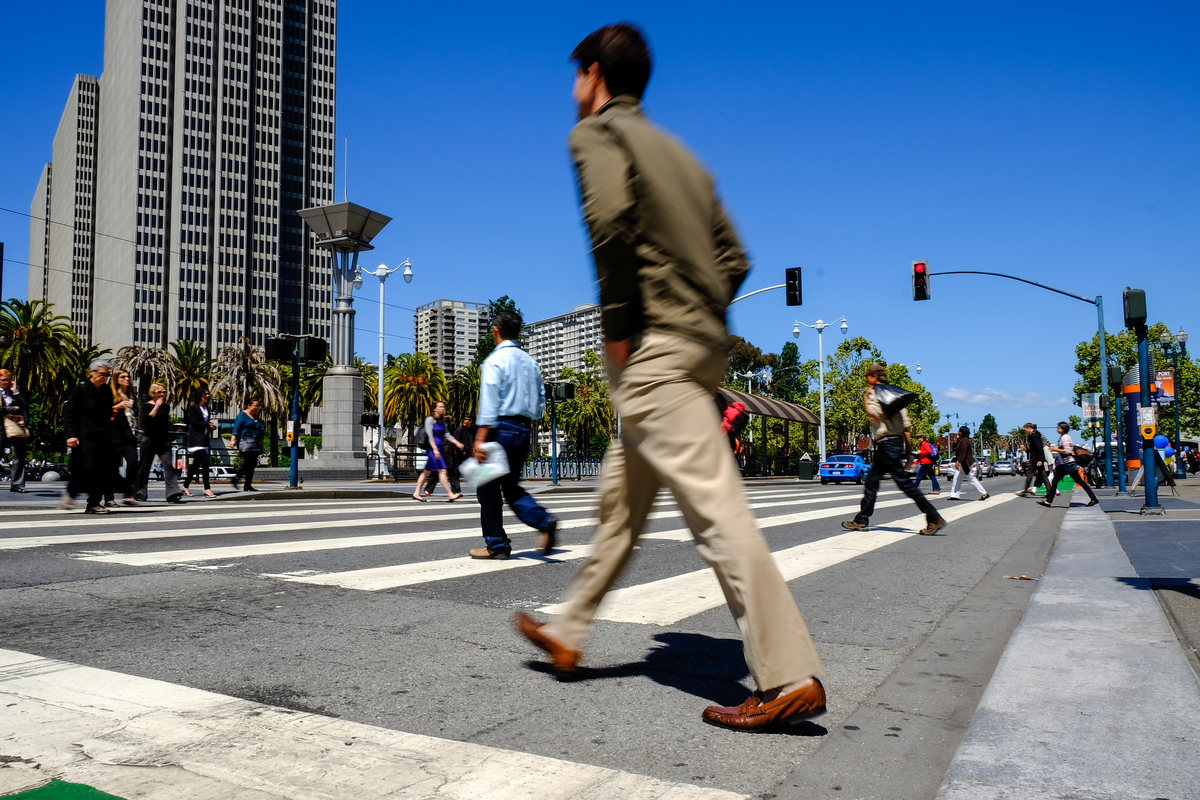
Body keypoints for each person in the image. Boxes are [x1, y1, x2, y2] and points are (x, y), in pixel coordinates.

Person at [514, 25, 826, 733]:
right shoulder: (684, 157)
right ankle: (570, 629)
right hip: (697, 346)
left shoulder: (597, 135)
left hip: (652, 354)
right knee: (621, 507)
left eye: (575, 77)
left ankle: (786, 675)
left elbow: (610, 227)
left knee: (718, 515)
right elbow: (736, 255)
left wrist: (622, 329)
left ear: (594, 75)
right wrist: (701, 308)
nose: (572, 92)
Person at [468, 313, 557, 558]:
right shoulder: (530, 362)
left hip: (500, 430)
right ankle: (543, 520)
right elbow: (540, 403)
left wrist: (479, 438)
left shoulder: (495, 361)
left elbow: (489, 401)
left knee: (486, 487)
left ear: (496, 331)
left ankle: (496, 544)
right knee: (511, 486)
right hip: (523, 430)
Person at [842, 365, 948, 534]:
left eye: (868, 376)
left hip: (886, 444)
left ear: (875, 376)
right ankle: (861, 519)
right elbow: (906, 428)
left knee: (905, 484)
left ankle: (934, 517)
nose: (866, 380)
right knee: (872, 482)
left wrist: (867, 399)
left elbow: (874, 415)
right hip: (894, 444)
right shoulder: (896, 395)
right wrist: (908, 453)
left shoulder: (875, 393)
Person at [63, 360, 116, 513]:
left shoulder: (106, 391)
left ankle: (93, 503)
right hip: (84, 437)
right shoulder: (81, 389)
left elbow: (107, 415)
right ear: (91, 372)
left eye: (107, 374)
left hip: (103, 437)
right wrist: (71, 435)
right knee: (88, 468)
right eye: (102, 374)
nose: (105, 377)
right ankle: (71, 492)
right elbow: (70, 414)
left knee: (102, 471)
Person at [135, 383, 183, 503]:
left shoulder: (165, 407)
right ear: (153, 393)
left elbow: (163, 422)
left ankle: (172, 493)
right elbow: (146, 420)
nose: (162, 394)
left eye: (164, 392)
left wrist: (175, 427)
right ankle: (140, 492)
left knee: (168, 466)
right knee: (144, 467)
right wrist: (156, 406)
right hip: (149, 439)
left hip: (163, 440)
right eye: (159, 392)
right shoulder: (146, 406)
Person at [102, 369, 140, 508]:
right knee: (112, 469)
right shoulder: (111, 393)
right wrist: (117, 406)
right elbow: (104, 412)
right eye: (123, 376)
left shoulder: (130, 395)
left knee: (133, 464)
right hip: (113, 436)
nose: (126, 378)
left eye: (128, 376)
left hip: (128, 436)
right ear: (116, 379)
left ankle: (127, 493)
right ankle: (109, 498)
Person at [413, 401, 464, 501]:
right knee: (442, 471)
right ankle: (450, 494)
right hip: (433, 449)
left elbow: (447, 434)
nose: (442, 408)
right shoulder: (430, 420)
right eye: (440, 407)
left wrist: (457, 443)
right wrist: (435, 449)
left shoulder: (442, 421)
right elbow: (429, 434)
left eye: (443, 407)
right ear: (434, 408)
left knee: (426, 472)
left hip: (438, 449)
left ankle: (416, 493)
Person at [1042, 422, 1099, 508]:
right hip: (1065, 463)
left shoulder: (1065, 438)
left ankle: (1094, 499)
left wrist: (1055, 449)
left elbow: (1067, 451)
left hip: (1068, 464)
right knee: (1055, 482)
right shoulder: (1063, 437)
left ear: (1063, 429)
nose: (1057, 429)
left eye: (1059, 427)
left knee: (1079, 482)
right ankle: (1048, 501)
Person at [0, 369, 31, 493]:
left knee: (19, 455)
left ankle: (17, 484)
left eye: (8, 379)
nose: (6, 382)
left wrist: (16, 391)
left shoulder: (14, 392)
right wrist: (12, 409)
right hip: (1, 427)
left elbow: (23, 405)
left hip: (15, 427)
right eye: (3, 380)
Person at [183, 390, 216, 497]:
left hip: (204, 438)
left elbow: (204, 423)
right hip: (196, 439)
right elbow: (194, 422)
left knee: (196, 464)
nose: (208, 395)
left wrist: (211, 427)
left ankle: (185, 485)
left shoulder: (207, 408)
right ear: (200, 396)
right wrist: (207, 424)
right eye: (205, 394)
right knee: (205, 461)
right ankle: (207, 488)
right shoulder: (193, 408)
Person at [230, 399, 265, 492]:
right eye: (255, 405)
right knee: (245, 464)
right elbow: (236, 428)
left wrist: (262, 442)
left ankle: (248, 485)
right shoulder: (242, 415)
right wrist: (233, 440)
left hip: (255, 443)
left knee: (252, 464)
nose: (257, 408)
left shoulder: (255, 417)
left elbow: (259, 430)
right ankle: (236, 479)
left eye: (258, 406)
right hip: (246, 442)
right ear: (248, 405)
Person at [950, 426, 989, 500]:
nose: (958, 432)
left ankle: (984, 493)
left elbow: (963, 452)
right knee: (957, 478)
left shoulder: (965, 440)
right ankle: (954, 495)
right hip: (963, 462)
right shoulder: (961, 440)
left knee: (971, 478)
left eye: (959, 431)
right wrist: (956, 440)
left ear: (962, 432)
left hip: (965, 462)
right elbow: (954, 449)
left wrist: (958, 461)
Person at [1015, 423, 1051, 497]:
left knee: (1029, 474)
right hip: (1036, 459)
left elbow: (1039, 448)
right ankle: (1050, 492)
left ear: (1030, 428)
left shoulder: (1035, 436)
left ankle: (1024, 491)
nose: (1025, 431)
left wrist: (1040, 460)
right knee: (1043, 476)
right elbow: (1033, 449)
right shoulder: (1032, 436)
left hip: (1036, 459)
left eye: (1026, 429)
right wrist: (1027, 450)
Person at [448, 413, 476, 495]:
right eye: (465, 419)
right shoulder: (460, 429)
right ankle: (455, 490)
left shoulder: (473, 430)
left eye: (469, 419)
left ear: (472, 421)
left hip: (471, 453)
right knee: (456, 472)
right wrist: (462, 450)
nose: (467, 421)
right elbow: (456, 441)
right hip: (461, 453)